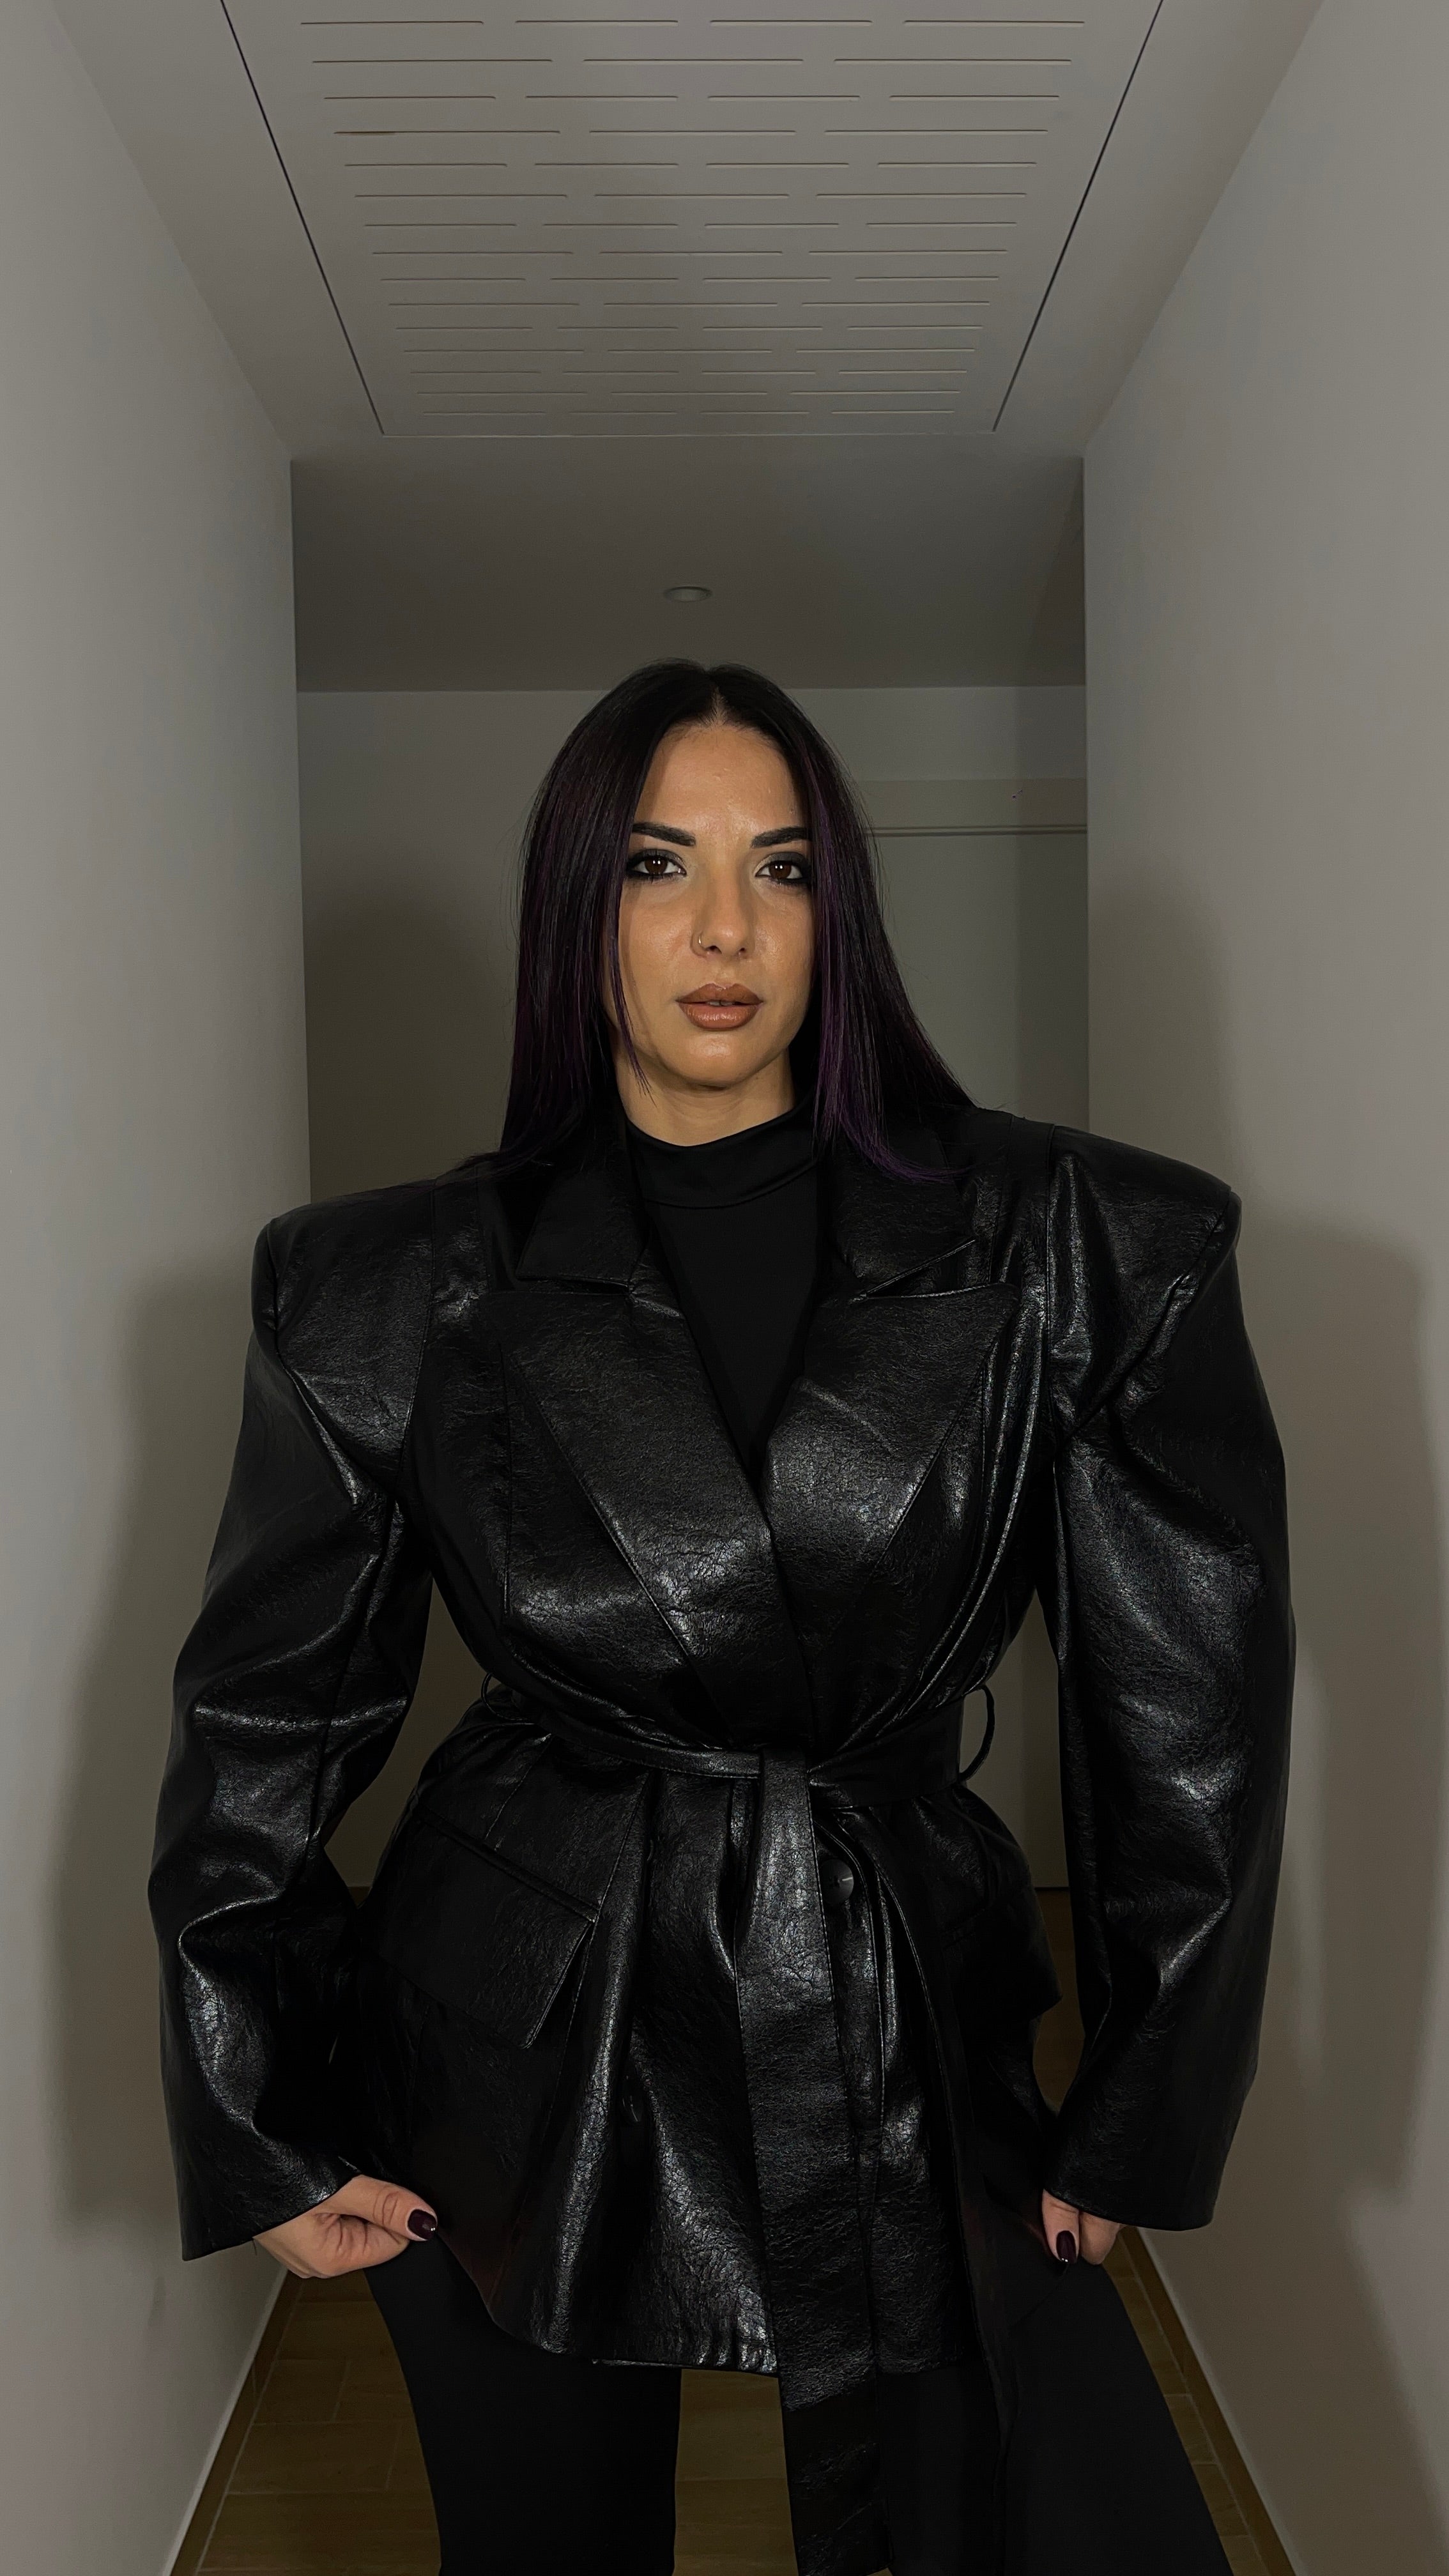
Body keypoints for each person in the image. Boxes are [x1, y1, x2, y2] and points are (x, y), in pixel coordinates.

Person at [150, 661, 1293, 2576]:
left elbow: (1186, 1713)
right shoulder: (381, 1284)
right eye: (655, 864)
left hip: (896, 1979)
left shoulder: (1084, 1244)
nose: (723, 931)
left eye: (783, 868)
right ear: (573, 907)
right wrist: (247, 2104)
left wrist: (1140, 2097)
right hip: (516, 2005)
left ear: (840, 911)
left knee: (1021, 2506)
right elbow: (268, 1715)